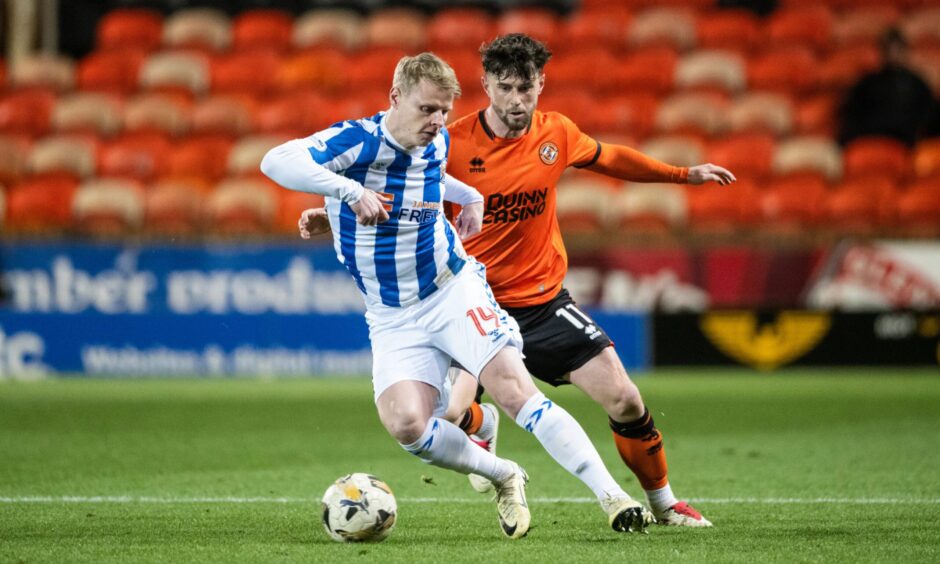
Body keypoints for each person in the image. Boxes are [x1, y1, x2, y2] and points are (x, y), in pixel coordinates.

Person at [299, 35, 736, 528]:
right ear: (484, 85)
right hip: (470, 301)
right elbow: (400, 199)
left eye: (526, 88)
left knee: (627, 399)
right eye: (504, 87)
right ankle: (481, 426)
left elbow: (611, 157)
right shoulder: (448, 142)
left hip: (542, 304)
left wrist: (684, 175)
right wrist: (333, 216)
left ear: (541, 84)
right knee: (446, 420)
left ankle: (664, 504)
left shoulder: (558, 135)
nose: (516, 100)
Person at [838, 27, 939, 148]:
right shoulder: (867, 83)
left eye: (897, 50)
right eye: (889, 50)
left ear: (905, 51)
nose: (893, 55)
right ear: (882, 52)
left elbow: (929, 116)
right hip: (872, 140)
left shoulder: (917, 84)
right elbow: (852, 116)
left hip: (908, 142)